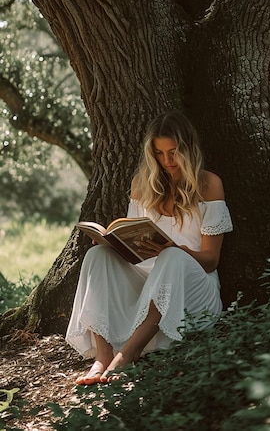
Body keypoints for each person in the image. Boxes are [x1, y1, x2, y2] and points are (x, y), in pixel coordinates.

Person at [66, 109, 233, 384]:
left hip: (192, 287)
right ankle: (103, 356)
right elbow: (134, 247)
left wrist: (175, 248)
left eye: (174, 151)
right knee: (97, 255)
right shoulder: (142, 185)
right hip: (146, 282)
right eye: (159, 153)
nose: (167, 160)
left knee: (171, 256)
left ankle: (128, 354)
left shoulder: (209, 184)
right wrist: (113, 244)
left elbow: (211, 260)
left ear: (189, 149)